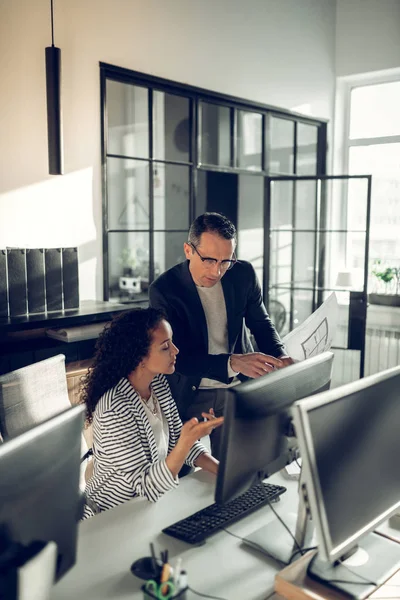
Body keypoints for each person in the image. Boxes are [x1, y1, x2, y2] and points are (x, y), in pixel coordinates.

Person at [149, 212, 293, 458]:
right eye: (208, 260)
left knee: (234, 468)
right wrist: (232, 362)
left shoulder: (243, 274)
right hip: (189, 391)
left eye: (225, 261)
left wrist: (280, 355)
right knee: (180, 471)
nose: (216, 271)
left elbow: (261, 323)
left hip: (236, 389)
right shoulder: (165, 290)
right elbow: (177, 357)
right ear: (188, 250)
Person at [80, 307, 223, 518]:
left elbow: (177, 442)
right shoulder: (114, 408)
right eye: (165, 347)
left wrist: (223, 472)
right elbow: (145, 487)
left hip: (152, 505)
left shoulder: (158, 384)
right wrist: (185, 441)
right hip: (114, 517)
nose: (176, 350)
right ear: (140, 358)